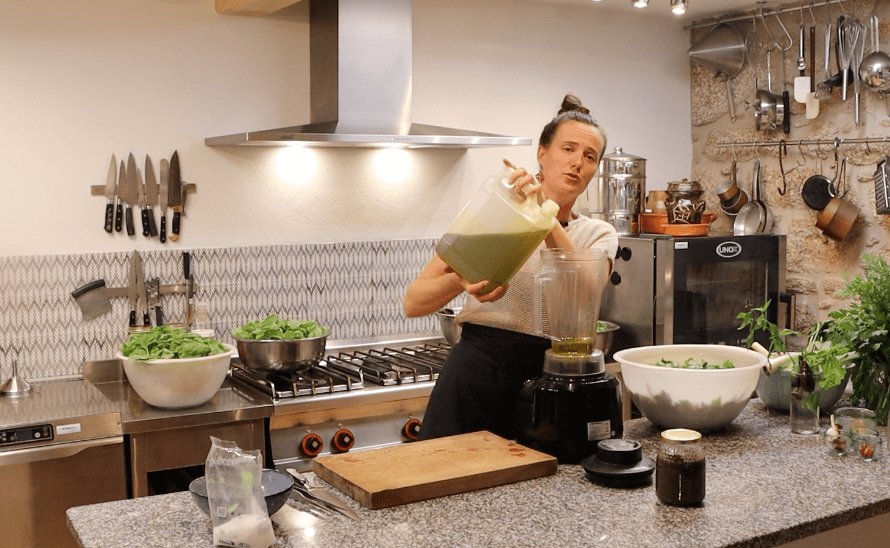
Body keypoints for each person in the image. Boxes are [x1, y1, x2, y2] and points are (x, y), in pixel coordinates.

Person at [403, 94, 619, 441]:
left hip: (553, 383)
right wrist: (462, 279)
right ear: (542, 153)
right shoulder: (497, 214)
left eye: (589, 156)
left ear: (595, 170)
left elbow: (583, 297)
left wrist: (545, 217)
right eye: (568, 149)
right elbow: (414, 302)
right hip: (474, 373)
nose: (577, 162)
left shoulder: (597, 235)